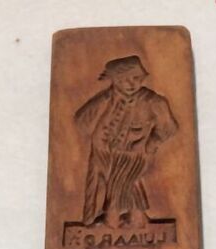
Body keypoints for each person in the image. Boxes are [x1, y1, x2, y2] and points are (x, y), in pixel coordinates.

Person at [75, 55, 178, 227]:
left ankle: (114, 221)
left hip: (134, 154)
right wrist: (104, 100)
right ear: (114, 81)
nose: (131, 84)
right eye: (124, 80)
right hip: (104, 152)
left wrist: (151, 144)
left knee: (122, 183)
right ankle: (132, 220)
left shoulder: (153, 101)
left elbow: (169, 128)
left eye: (136, 78)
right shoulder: (107, 98)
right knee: (118, 185)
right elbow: (81, 120)